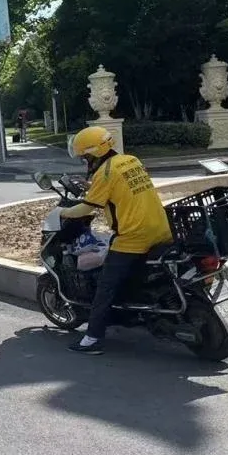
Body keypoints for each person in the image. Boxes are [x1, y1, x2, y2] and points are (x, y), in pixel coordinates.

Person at [57, 126, 173, 354]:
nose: (85, 162)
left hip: (133, 238)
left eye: (85, 157)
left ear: (94, 154)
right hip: (161, 229)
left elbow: (87, 208)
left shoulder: (104, 173)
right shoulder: (131, 160)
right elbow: (120, 188)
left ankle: (92, 339)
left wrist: (62, 213)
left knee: (105, 287)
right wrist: (91, 187)